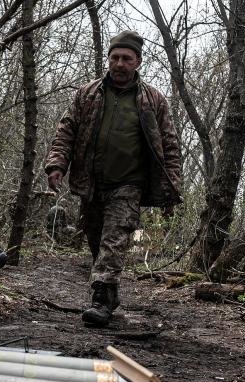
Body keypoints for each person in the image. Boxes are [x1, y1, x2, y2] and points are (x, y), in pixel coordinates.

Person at [44, 30, 183, 327]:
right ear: (108, 59)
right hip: (92, 184)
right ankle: (110, 292)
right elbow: (66, 131)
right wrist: (57, 164)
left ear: (138, 62)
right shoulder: (88, 94)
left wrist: (171, 190)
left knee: (114, 240)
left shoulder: (153, 101)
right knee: (98, 243)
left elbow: (170, 148)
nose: (119, 63)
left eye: (126, 59)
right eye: (115, 57)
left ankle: (101, 302)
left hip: (129, 186)